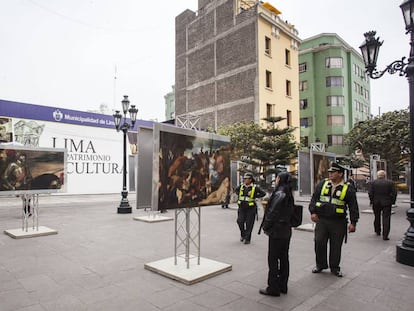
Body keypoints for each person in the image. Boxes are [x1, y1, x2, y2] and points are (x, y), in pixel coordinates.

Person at [309, 162, 359, 277]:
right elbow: (314, 198)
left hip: (338, 221)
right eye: (330, 172)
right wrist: (313, 212)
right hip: (322, 220)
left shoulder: (347, 188)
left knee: (336, 245)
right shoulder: (323, 184)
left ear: (340, 174)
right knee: (319, 241)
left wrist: (353, 222)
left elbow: (353, 206)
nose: (330, 174)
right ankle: (320, 264)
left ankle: (335, 267)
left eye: (333, 172)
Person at [259, 172, 294, 297]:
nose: (276, 180)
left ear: (280, 179)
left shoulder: (279, 193)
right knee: (284, 258)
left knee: (273, 259)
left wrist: (266, 226)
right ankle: (283, 285)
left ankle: (273, 287)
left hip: (277, 231)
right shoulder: (289, 192)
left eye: (278, 178)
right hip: (286, 231)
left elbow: (273, 212)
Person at [235, 172, 266, 244]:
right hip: (242, 207)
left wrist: (255, 196)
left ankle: (247, 239)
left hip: (251, 208)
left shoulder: (255, 188)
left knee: (249, 224)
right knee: (240, 221)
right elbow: (236, 190)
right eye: (244, 178)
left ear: (250, 180)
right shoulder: (241, 186)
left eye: (247, 179)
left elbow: (263, 193)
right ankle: (243, 234)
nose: (245, 180)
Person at [368, 170, 397, 240]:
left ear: (378, 176)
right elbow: (394, 193)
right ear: (385, 175)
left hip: (376, 202)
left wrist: (371, 201)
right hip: (387, 202)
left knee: (376, 217)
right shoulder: (390, 183)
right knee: (386, 218)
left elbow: (370, 193)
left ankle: (377, 231)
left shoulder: (373, 183)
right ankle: (385, 235)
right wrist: (392, 201)